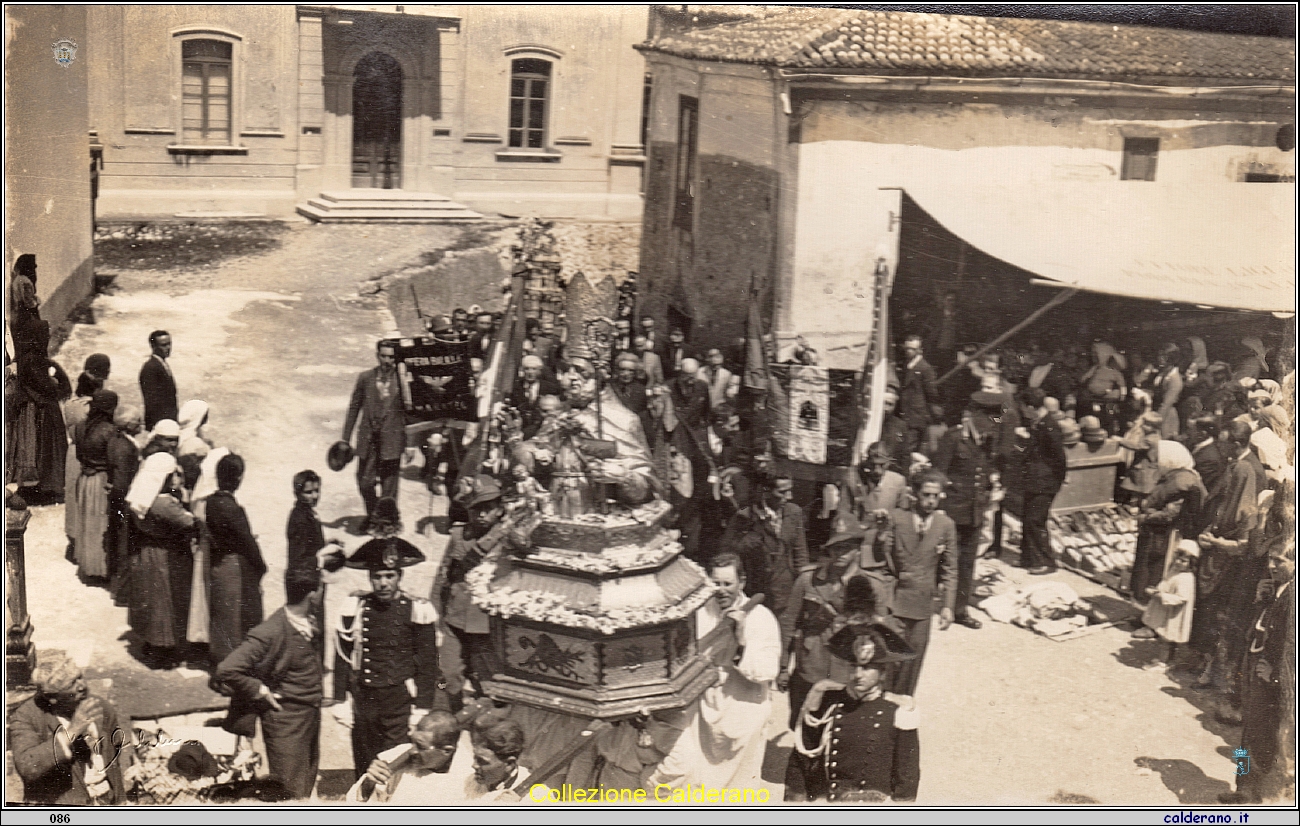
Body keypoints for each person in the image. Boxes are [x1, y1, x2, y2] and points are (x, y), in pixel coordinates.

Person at [337, 509, 447, 778]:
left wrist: (421, 705)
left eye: (390, 576)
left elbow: (428, 662)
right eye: (377, 576)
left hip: (398, 701)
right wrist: (340, 698)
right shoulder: (356, 605)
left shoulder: (416, 608)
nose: (383, 583)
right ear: (369, 577)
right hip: (364, 699)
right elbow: (342, 654)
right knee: (363, 762)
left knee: (394, 765)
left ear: (400, 576)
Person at [214, 566, 326, 800]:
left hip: (308, 715)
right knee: (289, 792)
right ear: (313, 595)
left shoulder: (305, 621)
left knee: (305, 783)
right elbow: (227, 668)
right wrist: (259, 690)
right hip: (285, 721)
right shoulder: (271, 631)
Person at [785, 617, 920, 802]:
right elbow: (801, 758)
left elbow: (907, 773)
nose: (857, 675)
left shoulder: (898, 711)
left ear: (883, 673)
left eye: (866, 669)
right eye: (854, 667)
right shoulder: (829, 702)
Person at [780, 535, 899, 728]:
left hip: (848, 671)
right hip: (811, 667)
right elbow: (788, 623)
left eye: (847, 548)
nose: (840, 553)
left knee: (842, 729)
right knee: (804, 725)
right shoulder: (808, 579)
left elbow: (883, 635)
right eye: (835, 548)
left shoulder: (873, 585)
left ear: (858, 549)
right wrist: (783, 667)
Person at [1192, 420, 1269, 693]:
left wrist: (1216, 540)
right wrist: (1210, 528)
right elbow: (1223, 504)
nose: (1219, 447)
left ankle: (1215, 672)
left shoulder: (1248, 472)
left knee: (1222, 616)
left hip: (1234, 561)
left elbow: (1244, 532)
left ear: (1236, 444)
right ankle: (1208, 665)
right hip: (1222, 547)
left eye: (1224, 443)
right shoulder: (1238, 464)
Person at [696, 553, 781, 788]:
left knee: (739, 787)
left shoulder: (761, 618)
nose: (721, 590)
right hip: (707, 715)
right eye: (716, 583)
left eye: (727, 584)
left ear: (741, 582)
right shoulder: (700, 613)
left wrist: (740, 642)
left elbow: (766, 672)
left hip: (744, 713)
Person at [10, 652, 133, 805]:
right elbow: (27, 767)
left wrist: (120, 800)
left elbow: (113, 759)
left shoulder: (99, 706)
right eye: (71, 684)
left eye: (79, 677)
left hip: (107, 798)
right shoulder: (26, 717)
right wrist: (72, 731)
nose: (82, 686)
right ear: (52, 698)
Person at [877, 469, 958, 695]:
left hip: (922, 606)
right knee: (888, 660)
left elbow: (950, 569)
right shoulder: (897, 519)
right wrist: (884, 603)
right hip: (896, 603)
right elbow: (885, 564)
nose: (931, 501)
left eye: (935, 495)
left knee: (912, 663)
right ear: (914, 494)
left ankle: (901, 712)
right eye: (926, 494)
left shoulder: (945, 525)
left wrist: (948, 606)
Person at [126, 452, 198, 668]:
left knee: (149, 600)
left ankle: (150, 642)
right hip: (166, 556)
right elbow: (191, 523)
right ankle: (165, 649)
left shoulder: (142, 498)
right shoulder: (164, 505)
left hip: (146, 553)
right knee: (166, 602)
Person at [437, 476, 508, 695]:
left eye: (487, 508)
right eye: (476, 509)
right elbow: (443, 574)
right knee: (446, 674)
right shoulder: (459, 534)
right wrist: (437, 614)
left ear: (500, 509)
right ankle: (446, 721)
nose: (481, 514)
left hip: (487, 624)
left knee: (487, 682)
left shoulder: (508, 538)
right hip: (456, 617)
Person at [931, 402, 997, 629]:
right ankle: (928, 601)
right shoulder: (954, 437)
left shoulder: (986, 441)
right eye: (989, 419)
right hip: (952, 510)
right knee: (943, 559)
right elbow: (938, 472)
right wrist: (937, 508)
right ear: (977, 415)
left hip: (975, 511)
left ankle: (959, 609)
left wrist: (990, 490)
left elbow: (985, 471)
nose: (992, 425)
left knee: (967, 563)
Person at [206, 453, 267, 664]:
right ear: (238, 479)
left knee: (222, 617)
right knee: (238, 619)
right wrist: (261, 566)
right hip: (235, 567)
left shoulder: (211, 502)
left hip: (218, 564)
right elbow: (247, 542)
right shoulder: (233, 509)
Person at [720, 474, 809, 617]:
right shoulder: (744, 516)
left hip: (784, 593)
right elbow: (726, 552)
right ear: (766, 491)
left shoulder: (794, 513)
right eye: (782, 492)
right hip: (755, 593)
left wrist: (803, 590)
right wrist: (747, 542)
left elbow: (801, 554)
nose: (789, 496)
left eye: (790, 490)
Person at [1130, 441, 1206, 606]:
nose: (1157, 462)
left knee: (1155, 572)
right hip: (1159, 532)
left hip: (1164, 536)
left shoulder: (1181, 481)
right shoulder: (1180, 475)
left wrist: (1146, 516)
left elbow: (1170, 513)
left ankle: (1148, 612)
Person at [342, 340, 409, 524]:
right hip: (368, 438)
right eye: (383, 356)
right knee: (364, 481)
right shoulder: (365, 378)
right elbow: (354, 408)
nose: (387, 360)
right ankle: (373, 515)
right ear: (377, 355)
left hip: (392, 440)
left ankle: (386, 524)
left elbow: (411, 415)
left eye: (391, 357)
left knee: (389, 485)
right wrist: (345, 439)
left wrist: (410, 444)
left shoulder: (404, 381)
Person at [347, 711, 473, 804]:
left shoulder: (469, 778)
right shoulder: (398, 756)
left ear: (447, 751)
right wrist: (368, 783)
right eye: (413, 742)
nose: (412, 751)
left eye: (420, 746)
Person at [7, 320, 70, 501]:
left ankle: (42, 486)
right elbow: (46, 387)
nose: (47, 338)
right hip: (39, 411)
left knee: (40, 449)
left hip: (40, 408)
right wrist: (56, 383)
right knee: (42, 448)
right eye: (44, 335)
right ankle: (43, 487)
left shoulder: (33, 357)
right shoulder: (32, 360)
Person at [1016, 387, 1067, 575]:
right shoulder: (1039, 424)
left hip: (1044, 483)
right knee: (1028, 518)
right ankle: (1029, 557)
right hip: (1035, 480)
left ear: (1030, 407)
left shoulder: (1049, 427)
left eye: (1023, 408)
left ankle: (1046, 561)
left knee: (1035, 520)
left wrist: (1055, 482)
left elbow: (1059, 459)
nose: (1022, 411)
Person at [71, 390, 119, 581]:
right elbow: (114, 459)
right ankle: (102, 568)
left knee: (87, 523)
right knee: (100, 524)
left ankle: (89, 566)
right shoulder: (109, 430)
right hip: (101, 479)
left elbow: (78, 455)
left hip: (84, 479)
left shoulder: (80, 427)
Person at [1132, 539, 1199, 672]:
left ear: (1191, 564)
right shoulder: (1175, 571)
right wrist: (1157, 590)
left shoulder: (1185, 578)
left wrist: (1160, 595)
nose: (1179, 563)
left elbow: (1181, 598)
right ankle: (1167, 660)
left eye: (1184, 561)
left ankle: (1162, 663)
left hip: (1174, 614)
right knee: (1166, 638)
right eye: (1178, 559)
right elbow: (1166, 583)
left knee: (1165, 639)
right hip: (1167, 610)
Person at [63, 366, 105, 546]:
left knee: (72, 495)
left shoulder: (70, 404)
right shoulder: (92, 408)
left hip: (72, 452)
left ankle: (73, 535)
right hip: (87, 453)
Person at [107, 404, 144, 605]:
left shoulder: (118, 440)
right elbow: (122, 482)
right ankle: (123, 594)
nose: (142, 424)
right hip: (123, 502)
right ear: (129, 425)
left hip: (118, 501)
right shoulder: (124, 447)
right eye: (138, 421)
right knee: (125, 546)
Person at [286, 469, 342, 578]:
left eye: (317, 490)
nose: (315, 496)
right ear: (297, 494)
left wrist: (324, 543)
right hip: (303, 580)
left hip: (309, 575)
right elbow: (298, 560)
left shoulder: (307, 512)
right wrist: (323, 560)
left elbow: (307, 544)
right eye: (308, 492)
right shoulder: (300, 520)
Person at [466, 718, 529, 801]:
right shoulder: (468, 781)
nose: (474, 765)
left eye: (483, 762)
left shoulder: (535, 796)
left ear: (509, 764)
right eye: (475, 758)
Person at [897, 335, 940, 456]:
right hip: (906, 413)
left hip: (916, 415)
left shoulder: (925, 368)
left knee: (909, 448)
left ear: (919, 350)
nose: (908, 351)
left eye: (911, 349)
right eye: (907, 348)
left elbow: (931, 393)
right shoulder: (907, 365)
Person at [509, 355, 562, 440]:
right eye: (527, 369)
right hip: (520, 432)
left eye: (534, 369)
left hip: (542, 432)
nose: (530, 372)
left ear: (539, 371)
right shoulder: (515, 388)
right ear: (522, 371)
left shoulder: (550, 388)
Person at [139, 330, 178, 430]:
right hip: (160, 423)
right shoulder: (150, 368)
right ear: (153, 346)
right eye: (164, 345)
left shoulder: (161, 364)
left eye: (169, 344)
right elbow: (152, 402)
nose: (168, 348)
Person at [1152, 342, 1186, 440]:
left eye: (1164, 356)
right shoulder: (1162, 373)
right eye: (1159, 355)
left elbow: (1167, 404)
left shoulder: (1175, 378)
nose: (1160, 358)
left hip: (1166, 415)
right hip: (1156, 410)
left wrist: (1154, 421)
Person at [1189, 415, 1229, 496]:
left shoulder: (1210, 458)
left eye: (1191, 430)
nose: (1188, 433)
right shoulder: (1195, 444)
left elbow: (1197, 487)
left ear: (1202, 434)